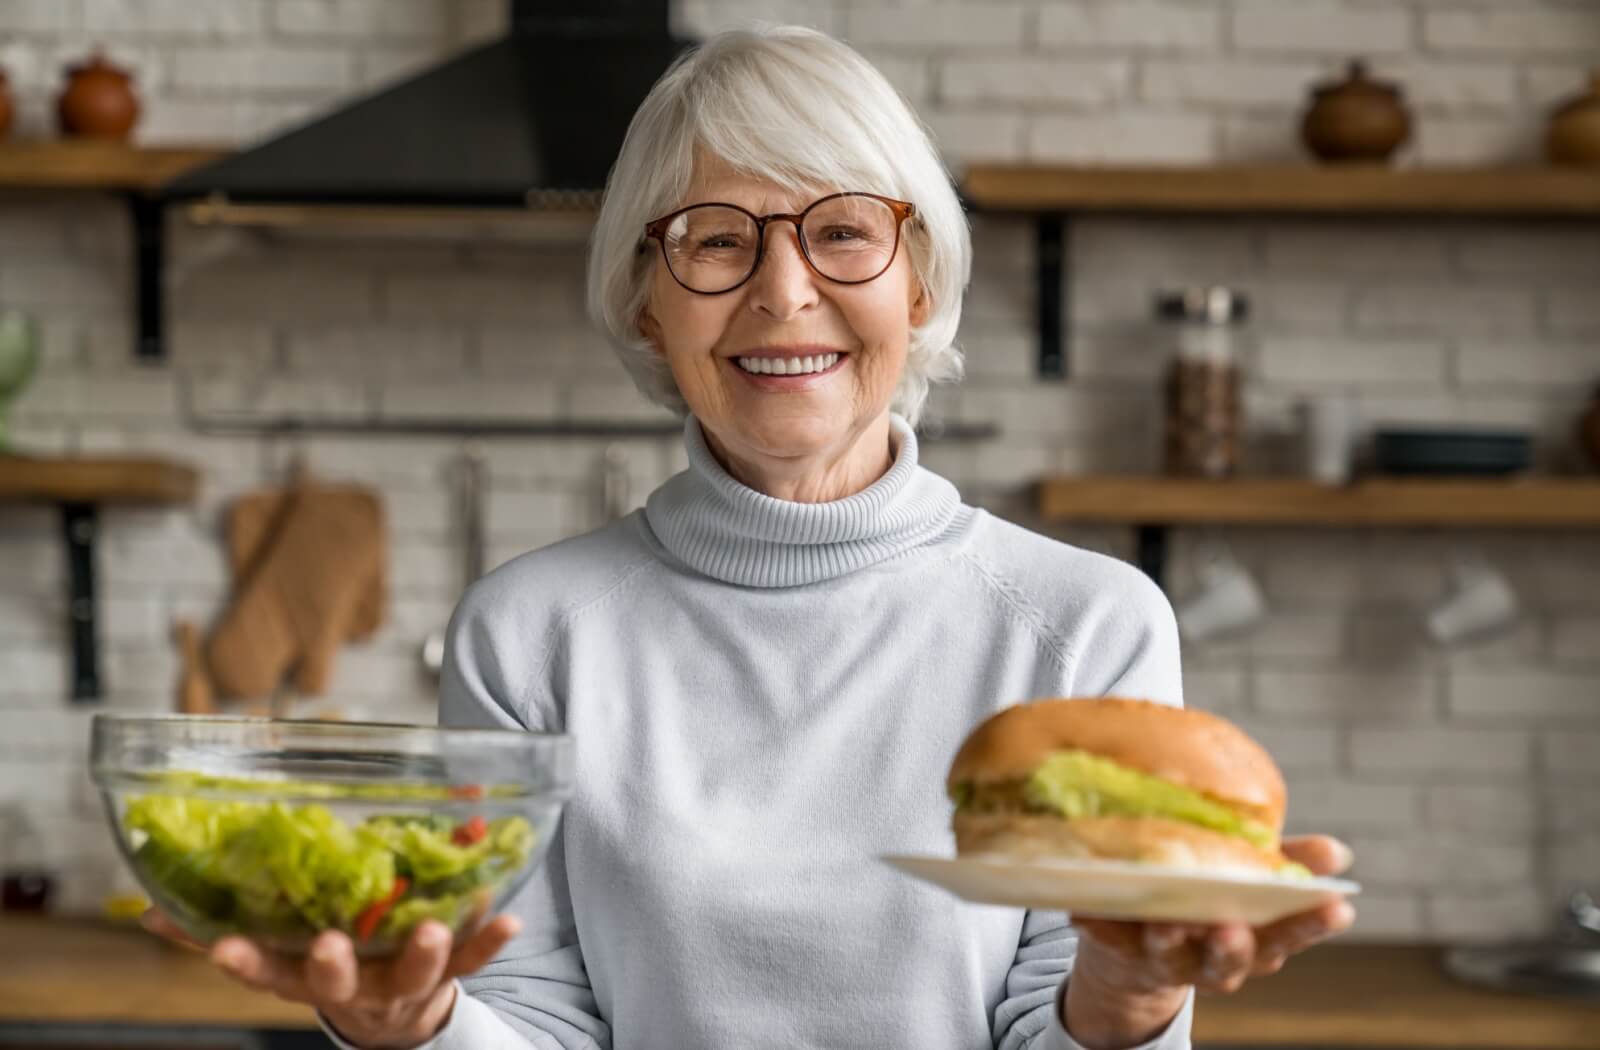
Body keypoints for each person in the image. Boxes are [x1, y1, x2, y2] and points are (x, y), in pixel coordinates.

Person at [149, 25, 1355, 1050]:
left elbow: (1070, 1016)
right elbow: (532, 1014)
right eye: (716, 240)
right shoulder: (530, 635)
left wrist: (1130, 994)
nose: (783, 292)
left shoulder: (1084, 624)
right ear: (644, 297)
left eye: (842, 233)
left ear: (918, 284)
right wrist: (411, 1027)